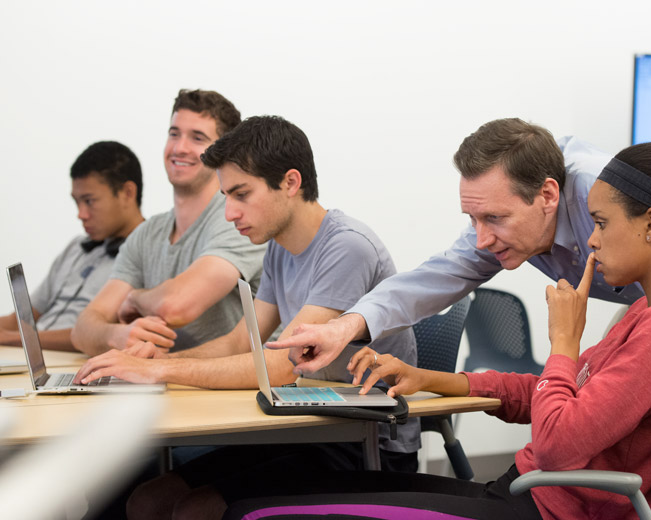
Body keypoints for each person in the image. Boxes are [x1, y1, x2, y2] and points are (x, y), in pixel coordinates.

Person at [269, 118, 651, 519]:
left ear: (550, 196)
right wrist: (349, 326)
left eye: (494, 219)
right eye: (474, 220)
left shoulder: (634, 217)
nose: (482, 237)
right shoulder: (527, 218)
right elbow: (436, 276)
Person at [74, 115, 420, 520]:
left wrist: (160, 371)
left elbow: (279, 366)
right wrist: (150, 362)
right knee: (147, 500)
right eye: (226, 196)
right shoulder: (278, 247)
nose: (229, 212)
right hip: (308, 427)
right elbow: (241, 343)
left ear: (291, 183)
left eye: (241, 194)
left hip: (364, 445)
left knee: (195, 509)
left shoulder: (348, 248)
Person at [71, 89, 266, 356]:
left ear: (223, 153)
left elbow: (175, 306)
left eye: (198, 138)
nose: (179, 147)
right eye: (174, 134)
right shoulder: (147, 234)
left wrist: (135, 298)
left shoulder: (237, 220)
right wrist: (118, 334)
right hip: (166, 381)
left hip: (227, 388)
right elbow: (82, 329)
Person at [0, 141, 144, 351]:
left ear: (128, 193)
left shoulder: (148, 254)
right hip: (33, 357)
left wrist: (14, 340)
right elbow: (22, 319)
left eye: (89, 201)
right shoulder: (76, 247)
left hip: (73, 363)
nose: (81, 214)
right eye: (77, 202)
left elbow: (102, 335)